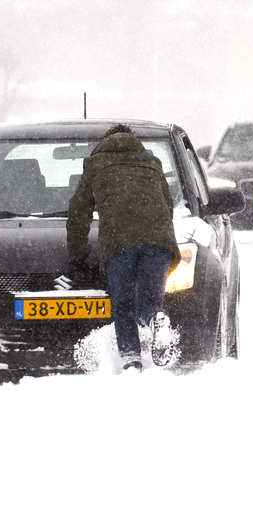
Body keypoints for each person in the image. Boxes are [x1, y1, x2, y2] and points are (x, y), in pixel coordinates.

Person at [66, 124, 181, 371]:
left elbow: (79, 212)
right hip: (158, 241)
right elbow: (167, 205)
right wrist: (155, 233)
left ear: (106, 141)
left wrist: (78, 255)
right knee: (150, 299)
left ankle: (130, 359)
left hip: (119, 242)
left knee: (124, 302)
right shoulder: (152, 163)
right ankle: (155, 318)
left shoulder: (96, 164)